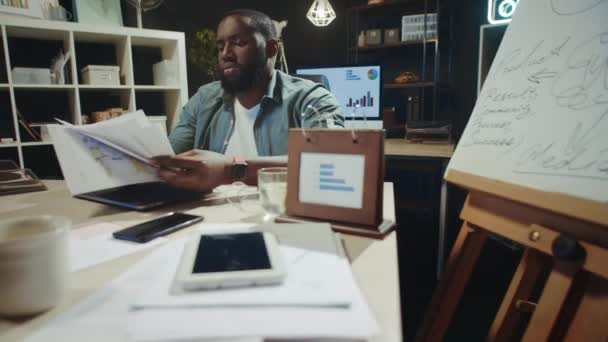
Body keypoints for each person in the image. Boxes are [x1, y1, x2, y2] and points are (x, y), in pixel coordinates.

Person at [152, 9, 343, 192]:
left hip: (280, 214)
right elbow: (170, 156)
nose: (226, 54)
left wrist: (230, 170)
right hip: (208, 217)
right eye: (220, 47)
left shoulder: (311, 98)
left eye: (239, 43)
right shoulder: (204, 99)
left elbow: (328, 162)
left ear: (271, 49)